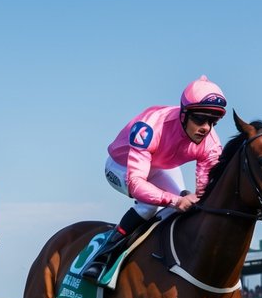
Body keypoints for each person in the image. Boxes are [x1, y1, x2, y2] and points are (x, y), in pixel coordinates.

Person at [81, 75, 227, 280]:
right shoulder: (150, 126)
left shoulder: (210, 142)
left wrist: (195, 199)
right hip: (121, 166)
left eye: (213, 121)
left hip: (160, 167)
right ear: (184, 114)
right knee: (149, 206)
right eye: (200, 119)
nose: (206, 128)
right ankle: (103, 256)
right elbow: (137, 182)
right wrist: (175, 200)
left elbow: (204, 190)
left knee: (186, 208)